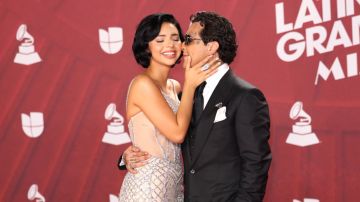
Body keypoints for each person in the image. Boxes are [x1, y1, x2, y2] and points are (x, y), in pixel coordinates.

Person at [120, 11, 272, 202]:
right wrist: (127, 156)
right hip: (154, 191)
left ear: (212, 47)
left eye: (186, 39)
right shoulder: (186, 93)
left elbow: (255, 163)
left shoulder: (245, 96)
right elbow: (168, 134)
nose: (181, 45)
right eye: (160, 39)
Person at [118, 13, 220, 201]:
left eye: (175, 38)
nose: (170, 46)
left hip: (175, 187)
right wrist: (190, 84)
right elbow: (177, 133)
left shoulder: (175, 87)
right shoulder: (142, 84)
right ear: (146, 46)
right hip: (146, 188)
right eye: (160, 40)